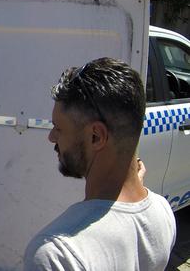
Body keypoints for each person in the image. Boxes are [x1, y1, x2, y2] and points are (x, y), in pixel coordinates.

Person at [23, 57, 176, 270]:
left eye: (59, 128)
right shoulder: (163, 212)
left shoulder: (56, 253)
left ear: (96, 136)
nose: (51, 137)